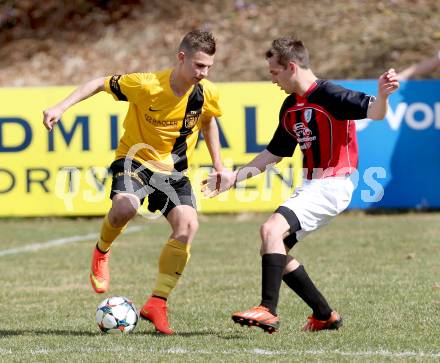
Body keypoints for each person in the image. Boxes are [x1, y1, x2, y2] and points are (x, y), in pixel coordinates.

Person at [202, 36, 399, 334]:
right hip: (312, 185)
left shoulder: (330, 94)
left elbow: (376, 112)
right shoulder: (290, 105)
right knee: (274, 248)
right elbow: (275, 153)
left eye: (274, 72)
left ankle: (267, 309)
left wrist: (382, 96)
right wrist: (234, 178)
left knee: (270, 230)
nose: (272, 79)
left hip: (333, 182)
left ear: (291, 67)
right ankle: (324, 315)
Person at [43, 30, 224, 335]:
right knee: (125, 207)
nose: (203, 73)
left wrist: (219, 165)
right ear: (182, 58)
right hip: (134, 161)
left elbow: (208, 121)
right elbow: (99, 83)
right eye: (199, 66)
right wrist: (60, 107)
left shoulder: (205, 92)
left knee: (188, 227)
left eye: (208, 68)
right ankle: (102, 250)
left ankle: (157, 303)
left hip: (174, 172)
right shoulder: (146, 85)